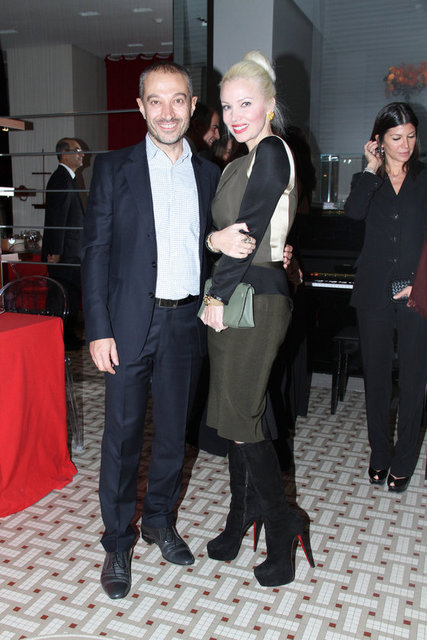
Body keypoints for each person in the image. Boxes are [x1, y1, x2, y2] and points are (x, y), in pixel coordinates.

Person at [81, 61, 258, 600]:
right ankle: (117, 540)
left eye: (177, 100)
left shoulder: (210, 174)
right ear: (140, 107)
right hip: (128, 324)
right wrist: (98, 328)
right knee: (122, 437)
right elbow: (95, 253)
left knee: (174, 433)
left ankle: (158, 520)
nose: (166, 111)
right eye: (155, 101)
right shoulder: (114, 168)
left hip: (185, 322)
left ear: (192, 107)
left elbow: (221, 243)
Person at [199, 51, 314, 587]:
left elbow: (245, 236)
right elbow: (222, 236)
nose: (235, 115)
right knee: (235, 416)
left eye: (246, 103)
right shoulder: (235, 163)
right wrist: (211, 241)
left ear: (269, 104)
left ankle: (282, 522)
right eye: (227, 106)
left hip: (254, 298)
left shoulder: (270, 151)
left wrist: (217, 296)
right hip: (234, 293)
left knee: (242, 417)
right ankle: (240, 515)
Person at [345, 102, 427, 493]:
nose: (405, 144)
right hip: (374, 290)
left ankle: (405, 458)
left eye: (411, 136)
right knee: (376, 379)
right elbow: (353, 213)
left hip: (416, 291)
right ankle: (380, 453)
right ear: (379, 140)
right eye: (396, 138)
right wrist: (371, 168)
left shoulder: (424, 178)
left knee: (413, 379)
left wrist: (421, 283)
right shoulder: (368, 179)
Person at [42, 138, 85, 349]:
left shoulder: (68, 179)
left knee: (69, 295)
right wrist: (55, 251)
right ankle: (61, 339)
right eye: (77, 150)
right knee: (62, 297)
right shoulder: (60, 179)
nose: (82, 154)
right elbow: (57, 219)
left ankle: (66, 337)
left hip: (71, 254)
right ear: (64, 154)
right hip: (64, 255)